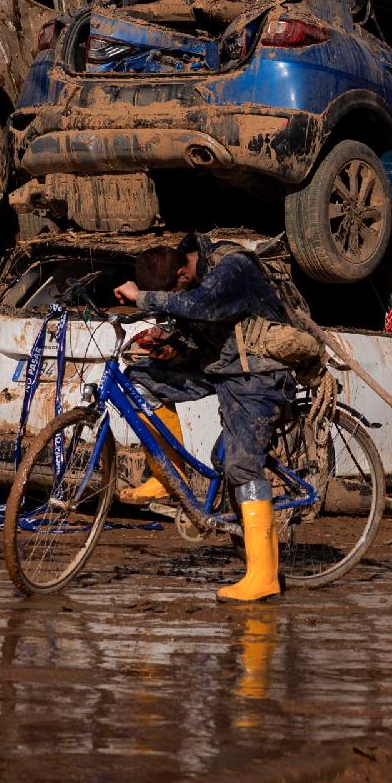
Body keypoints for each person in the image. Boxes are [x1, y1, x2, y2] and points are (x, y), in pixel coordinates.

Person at [113, 234, 299, 603]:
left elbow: (199, 305)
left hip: (257, 373)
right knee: (141, 377)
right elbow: (201, 324)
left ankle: (264, 577)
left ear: (183, 273)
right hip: (222, 364)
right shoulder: (194, 275)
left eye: (172, 293)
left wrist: (143, 298)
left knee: (240, 467)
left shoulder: (231, 266)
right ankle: (170, 475)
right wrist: (169, 343)